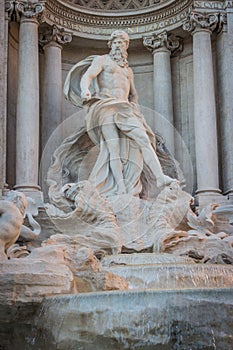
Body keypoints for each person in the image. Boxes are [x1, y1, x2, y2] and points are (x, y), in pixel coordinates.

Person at [64, 30, 175, 196]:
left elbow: (133, 94)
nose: (118, 45)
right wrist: (85, 90)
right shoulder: (102, 60)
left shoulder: (128, 71)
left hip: (125, 109)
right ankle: (120, 188)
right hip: (105, 106)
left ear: (126, 46)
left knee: (144, 139)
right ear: (110, 45)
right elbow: (88, 75)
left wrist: (136, 108)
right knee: (112, 148)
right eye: (115, 42)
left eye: (121, 43)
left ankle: (159, 177)